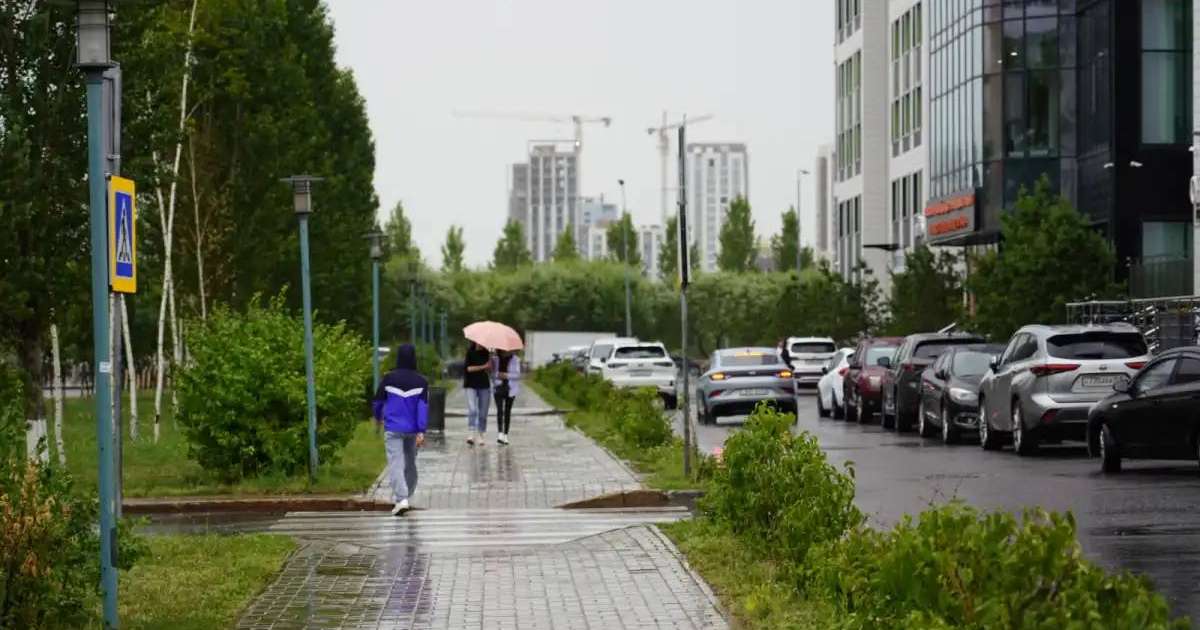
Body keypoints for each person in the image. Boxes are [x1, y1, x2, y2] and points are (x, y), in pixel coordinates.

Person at [372, 344, 428, 516]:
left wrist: (378, 417)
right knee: (410, 463)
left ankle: (401, 498)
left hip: (393, 427)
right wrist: (421, 431)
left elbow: (378, 402)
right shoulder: (421, 381)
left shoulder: (389, 379)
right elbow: (422, 407)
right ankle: (407, 496)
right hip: (412, 429)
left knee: (396, 463)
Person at [463, 341, 492, 445]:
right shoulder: (469, 353)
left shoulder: (487, 353)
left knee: (483, 412)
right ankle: (471, 433)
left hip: (484, 385)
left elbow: (489, 372)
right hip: (470, 385)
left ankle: (481, 434)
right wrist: (483, 366)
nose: (480, 343)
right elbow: (468, 369)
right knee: (472, 409)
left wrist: (491, 365)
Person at [492, 350, 521, 445]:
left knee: (507, 411)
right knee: (500, 410)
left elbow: (517, 375)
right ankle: (500, 434)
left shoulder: (516, 360)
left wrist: (506, 375)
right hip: (498, 387)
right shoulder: (495, 359)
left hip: (511, 389)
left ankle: (505, 435)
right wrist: (497, 375)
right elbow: (492, 374)